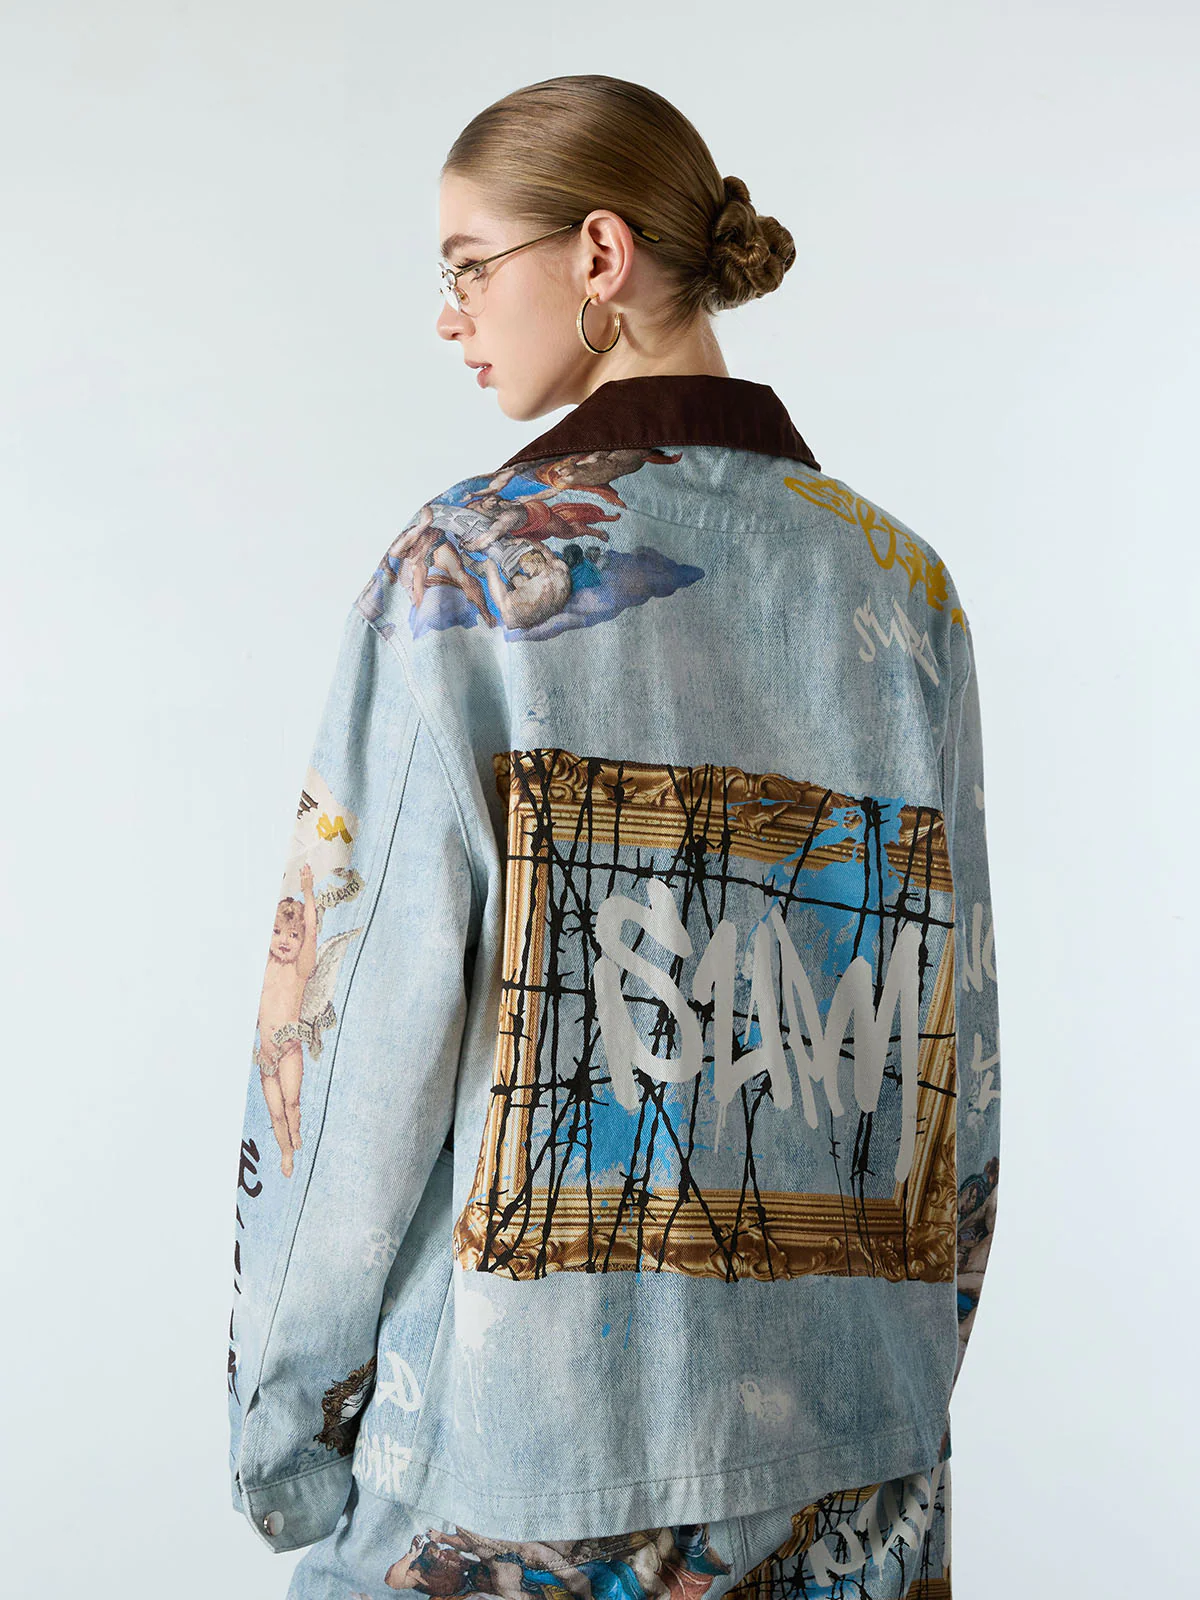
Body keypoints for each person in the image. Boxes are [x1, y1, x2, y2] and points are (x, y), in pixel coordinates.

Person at [225, 73, 1000, 1600]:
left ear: (598, 254)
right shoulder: (906, 590)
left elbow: (341, 1049)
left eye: (468, 264)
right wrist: (901, 1377)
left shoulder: (464, 580)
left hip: (526, 1485)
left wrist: (283, 1434)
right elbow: (952, 1056)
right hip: (860, 1477)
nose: (449, 315)